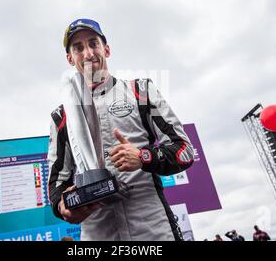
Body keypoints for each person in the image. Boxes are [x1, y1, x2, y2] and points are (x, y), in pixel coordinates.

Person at [47, 18, 195, 241]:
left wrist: (143, 156)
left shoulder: (141, 91)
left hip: (154, 233)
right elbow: (57, 184)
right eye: (78, 48)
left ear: (106, 49)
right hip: (98, 235)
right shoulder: (61, 116)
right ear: (70, 58)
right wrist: (64, 206)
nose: (88, 53)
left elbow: (184, 151)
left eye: (93, 43)